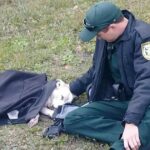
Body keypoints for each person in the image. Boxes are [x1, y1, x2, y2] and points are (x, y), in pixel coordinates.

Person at [62, 1, 150, 150]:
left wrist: (131, 121)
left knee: (121, 148)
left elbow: (146, 82)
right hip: (127, 101)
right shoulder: (105, 36)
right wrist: (72, 89)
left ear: (112, 27)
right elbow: (96, 69)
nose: (98, 37)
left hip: (147, 103)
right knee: (72, 119)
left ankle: (135, 137)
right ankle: (136, 136)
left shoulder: (144, 38)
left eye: (98, 34)